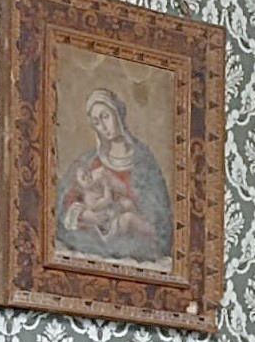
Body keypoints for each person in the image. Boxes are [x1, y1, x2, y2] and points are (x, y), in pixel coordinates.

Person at [54, 88, 174, 265]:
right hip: (98, 234)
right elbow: (64, 205)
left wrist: (124, 202)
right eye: (96, 122)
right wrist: (87, 216)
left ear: (118, 114)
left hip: (134, 239)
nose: (103, 127)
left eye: (105, 116)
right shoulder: (89, 161)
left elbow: (158, 218)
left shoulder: (144, 161)